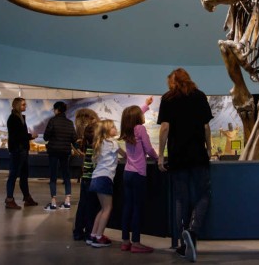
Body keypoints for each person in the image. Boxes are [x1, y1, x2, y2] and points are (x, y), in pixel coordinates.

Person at [157, 68, 213, 263]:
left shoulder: (168, 98)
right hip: (198, 155)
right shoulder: (200, 96)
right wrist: (209, 149)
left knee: (181, 198)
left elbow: (165, 127)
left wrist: (161, 155)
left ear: (173, 81)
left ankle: (183, 242)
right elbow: (206, 126)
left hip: (178, 157)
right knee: (203, 194)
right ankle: (193, 230)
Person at [119, 98, 158, 253]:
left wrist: (146, 105)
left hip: (127, 173)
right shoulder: (140, 129)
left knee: (127, 207)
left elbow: (133, 115)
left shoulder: (128, 128)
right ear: (138, 119)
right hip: (138, 174)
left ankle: (125, 241)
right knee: (137, 208)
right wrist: (158, 158)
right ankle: (136, 243)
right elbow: (148, 148)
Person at [87, 119, 126, 248]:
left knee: (102, 209)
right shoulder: (113, 143)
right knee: (108, 208)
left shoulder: (101, 143)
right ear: (108, 131)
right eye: (113, 127)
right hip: (105, 179)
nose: (116, 129)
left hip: (96, 178)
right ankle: (99, 237)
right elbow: (125, 155)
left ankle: (93, 235)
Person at [43, 101, 78, 211]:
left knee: (53, 176)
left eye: (54, 109)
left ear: (57, 110)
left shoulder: (52, 121)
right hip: (65, 152)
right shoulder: (69, 123)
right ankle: (67, 201)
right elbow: (74, 138)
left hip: (53, 151)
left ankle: (53, 203)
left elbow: (45, 137)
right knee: (66, 175)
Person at [5, 97, 38, 210]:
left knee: (24, 175)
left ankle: (27, 198)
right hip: (18, 151)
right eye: (23, 104)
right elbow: (17, 136)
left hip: (22, 150)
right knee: (13, 175)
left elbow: (19, 135)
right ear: (18, 105)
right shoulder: (13, 118)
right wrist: (31, 136)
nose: (25, 106)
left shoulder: (19, 118)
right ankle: (9, 199)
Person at [73, 108, 100, 241]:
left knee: (83, 204)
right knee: (90, 206)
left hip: (85, 177)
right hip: (91, 178)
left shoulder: (85, 141)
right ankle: (90, 232)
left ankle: (78, 231)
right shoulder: (94, 142)